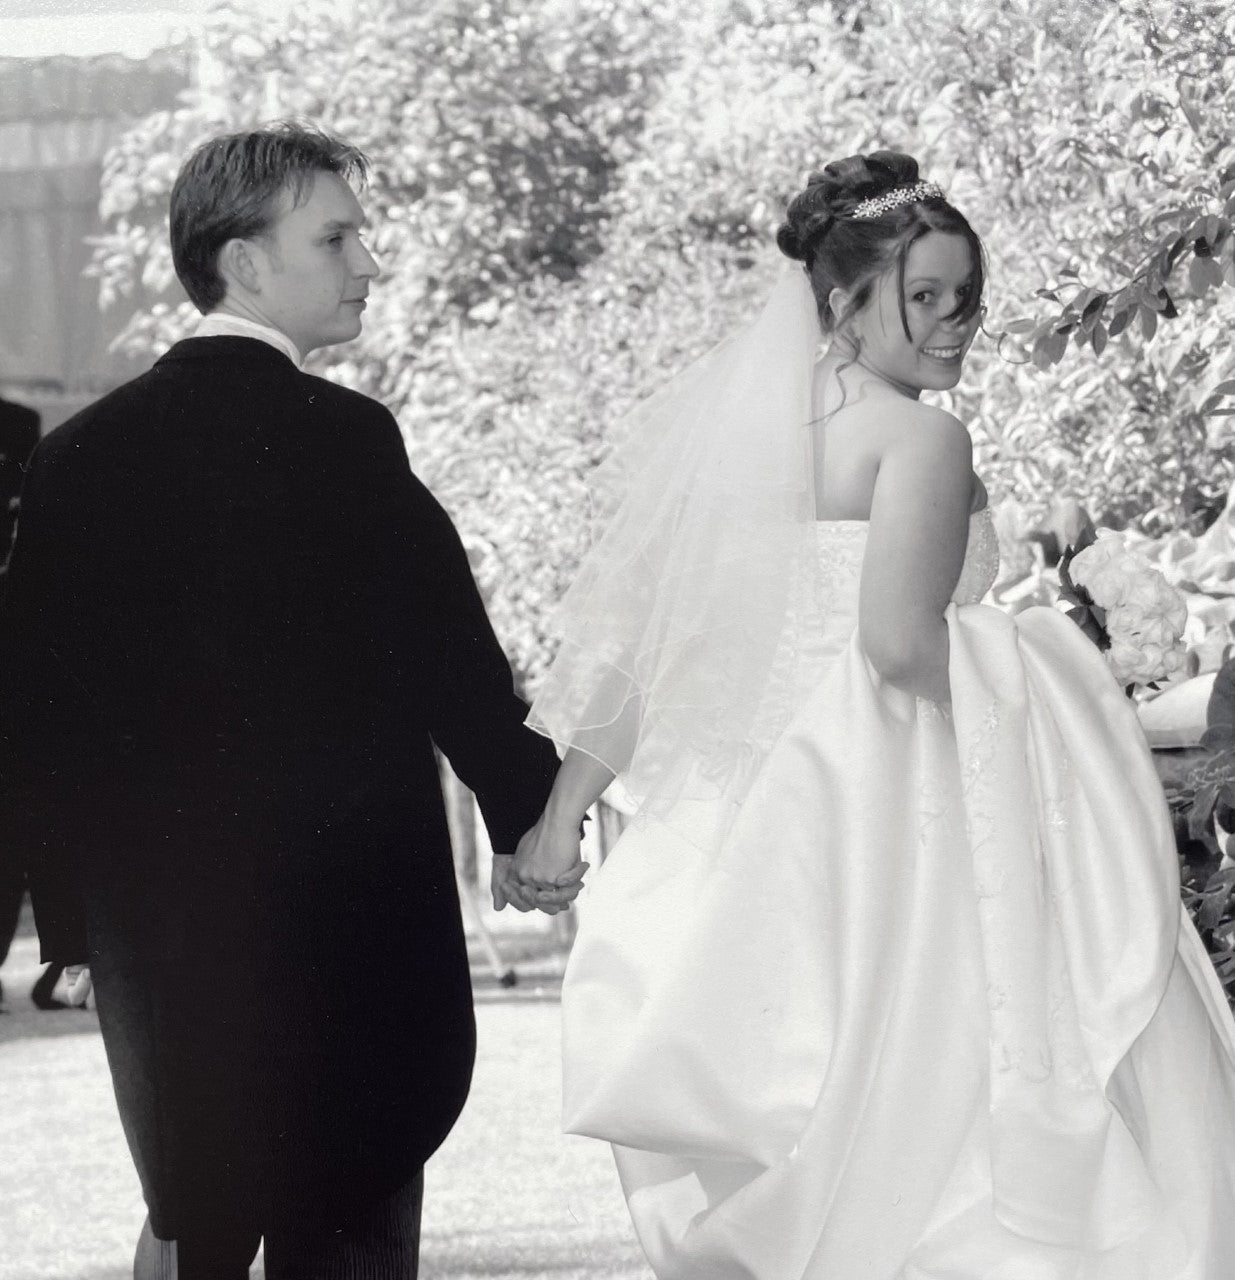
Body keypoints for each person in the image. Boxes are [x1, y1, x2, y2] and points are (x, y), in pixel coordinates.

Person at [507, 151, 1235, 1277]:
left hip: (753, 822)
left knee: (812, 1099)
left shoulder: (740, 447)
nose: (953, 325)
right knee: (959, 1101)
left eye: (966, 298)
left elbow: (655, 651)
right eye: (924, 297)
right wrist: (1054, 685)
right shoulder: (921, 440)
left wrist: (563, 814)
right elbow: (899, 645)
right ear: (841, 300)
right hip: (904, 811)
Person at [0, 122, 580, 1280]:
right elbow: (453, 666)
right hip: (353, 947)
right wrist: (532, 815)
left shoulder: (75, 460)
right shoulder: (346, 438)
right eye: (338, 236)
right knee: (352, 1242)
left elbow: (28, 728)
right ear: (245, 262)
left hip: (165, 959)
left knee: (192, 1230)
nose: (367, 263)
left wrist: (59, 930)